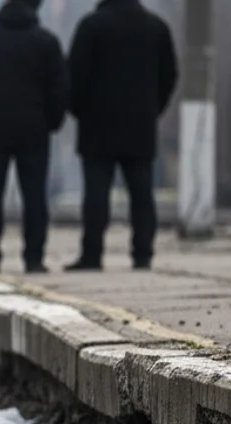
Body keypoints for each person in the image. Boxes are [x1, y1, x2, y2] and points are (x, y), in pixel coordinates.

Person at [0, 0, 68, 274]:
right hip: (34, 130)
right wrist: (51, 122)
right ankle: (33, 258)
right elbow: (60, 88)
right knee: (35, 197)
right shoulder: (46, 42)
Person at [66, 0, 178, 271]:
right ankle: (143, 255)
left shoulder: (91, 26)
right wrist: (152, 109)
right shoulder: (156, 27)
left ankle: (92, 256)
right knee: (141, 194)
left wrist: (81, 111)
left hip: (97, 125)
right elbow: (170, 75)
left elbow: (73, 76)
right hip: (140, 125)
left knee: (96, 195)